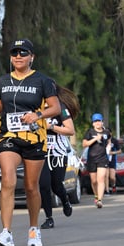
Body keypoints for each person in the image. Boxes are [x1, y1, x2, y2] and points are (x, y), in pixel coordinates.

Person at [0, 38, 61, 246]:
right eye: (15, 53)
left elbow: (55, 108)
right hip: (8, 136)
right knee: (8, 180)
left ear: (32, 57)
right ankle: (6, 233)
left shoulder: (42, 81)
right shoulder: (3, 81)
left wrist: (37, 115)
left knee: (31, 187)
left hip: (34, 138)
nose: (18, 57)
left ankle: (33, 230)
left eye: (23, 53)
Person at [39, 85, 80, 229]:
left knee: (56, 185)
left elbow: (70, 130)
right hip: (40, 150)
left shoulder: (60, 108)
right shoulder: (35, 107)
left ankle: (65, 200)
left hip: (58, 150)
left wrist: (51, 127)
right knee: (43, 185)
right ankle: (48, 218)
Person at [82, 113, 111, 208]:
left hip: (102, 158)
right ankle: (96, 195)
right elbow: (84, 144)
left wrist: (108, 149)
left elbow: (109, 141)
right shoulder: (90, 132)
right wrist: (95, 139)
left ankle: (100, 200)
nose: (98, 123)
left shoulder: (106, 132)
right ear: (93, 123)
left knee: (101, 179)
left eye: (99, 121)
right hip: (92, 158)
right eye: (96, 121)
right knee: (94, 181)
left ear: (102, 122)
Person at [105, 128, 121, 195]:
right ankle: (107, 190)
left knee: (112, 177)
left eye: (108, 132)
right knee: (106, 176)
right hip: (105, 159)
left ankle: (113, 185)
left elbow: (120, 151)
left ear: (111, 133)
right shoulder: (103, 140)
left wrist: (113, 153)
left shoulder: (114, 141)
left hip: (112, 160)